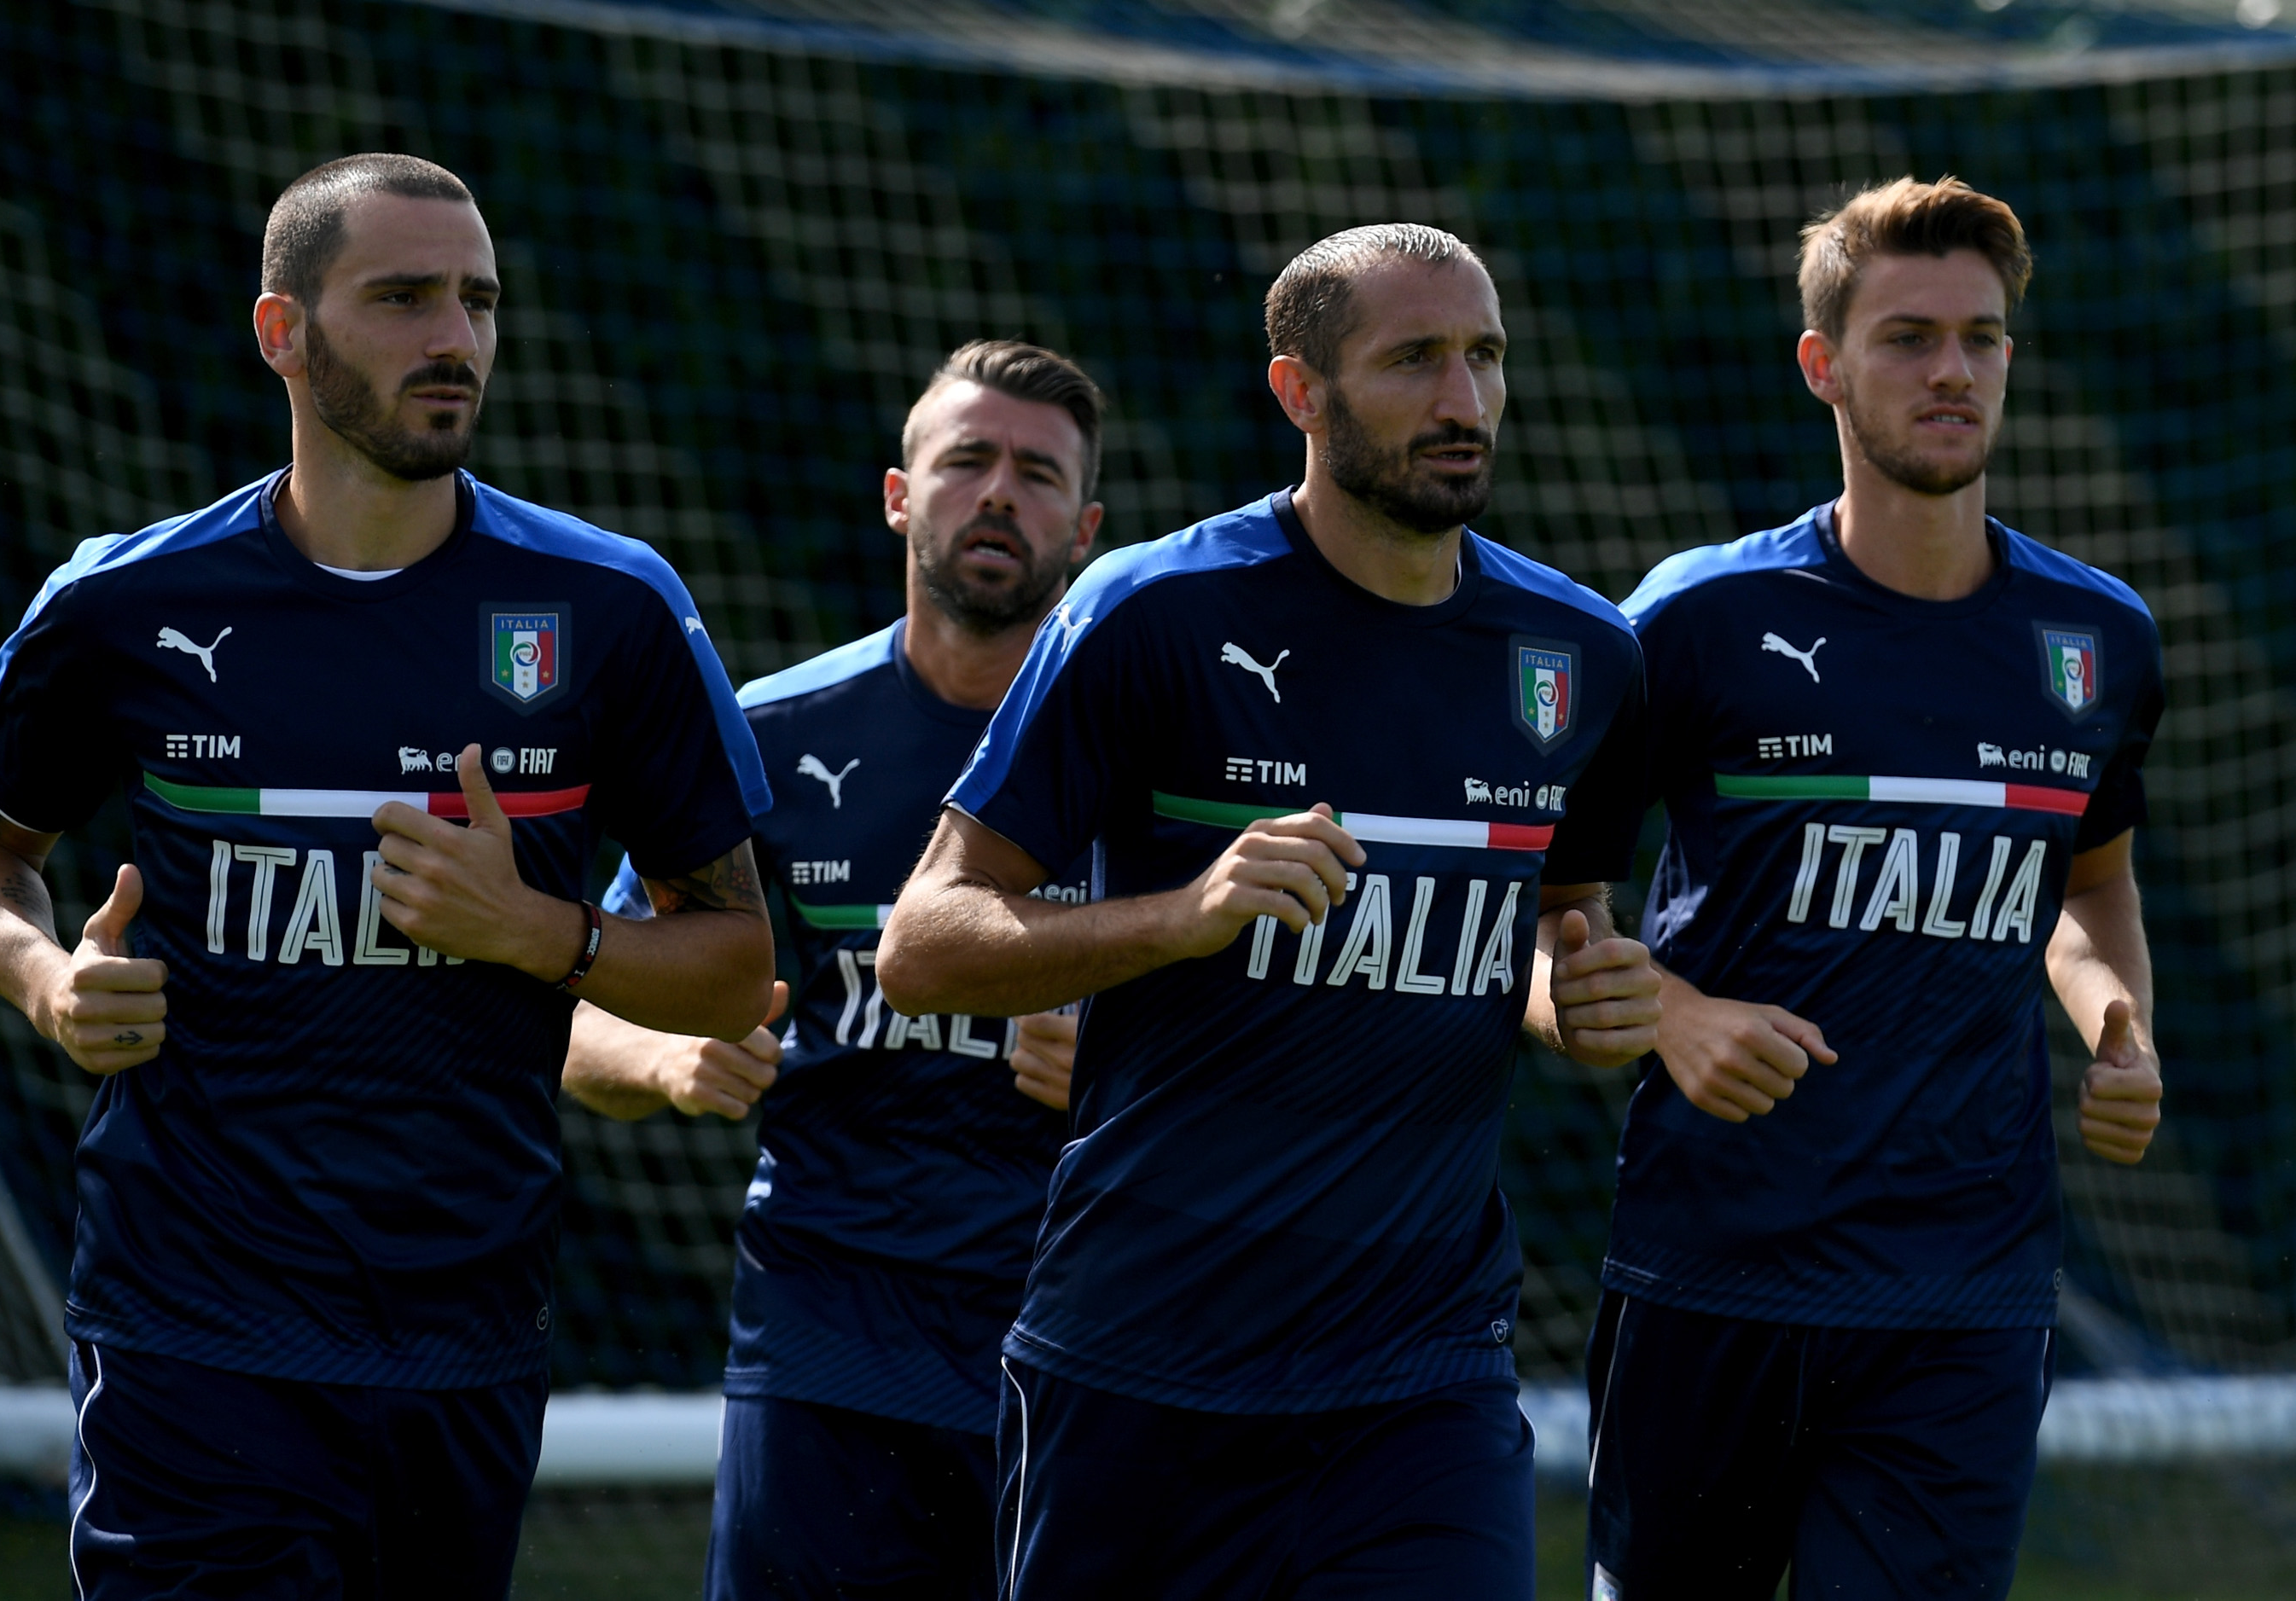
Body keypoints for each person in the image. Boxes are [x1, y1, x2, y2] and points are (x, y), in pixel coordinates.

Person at [0, 154, 777, 1598]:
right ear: (282, 334)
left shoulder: (610, 607)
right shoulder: (130, 603)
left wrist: (540, 932)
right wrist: (50, 978)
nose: (456, 337)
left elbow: (737, 962)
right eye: (403, 298)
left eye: (478, 300)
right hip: (192, 1326)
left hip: (466, 1335)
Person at [874, 224, 1664, 1599]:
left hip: (1423, 1376)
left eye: (1483, 357)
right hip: (1139, 1362)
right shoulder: (1152, 612)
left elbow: (1557, 920)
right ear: (1300, 391)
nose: (1463, 401)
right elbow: (925, 944)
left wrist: (1581, 995)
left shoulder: (1580, 655)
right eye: (1414, 359)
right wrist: (1179, 917)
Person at [1584, 177, 2166, 1601]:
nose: (1953, 369)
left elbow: (2090, 889)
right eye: (1909, 336)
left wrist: (2116, 1020)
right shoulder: (1696, 621)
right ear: (1822, 364)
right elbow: (1548, 925)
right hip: (1707, 1274)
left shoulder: (2096, 638)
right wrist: (1671, 1015)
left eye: (1982, 336)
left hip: (1961, 1290)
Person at [566, 339, 1106, 1599]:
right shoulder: (769, 736)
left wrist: (1132, 1057)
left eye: (1036, 474)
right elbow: (574, 1008)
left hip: (1086, 1342)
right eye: (966, 459)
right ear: (898, 494)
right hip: (826, 1340)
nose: (997, 493)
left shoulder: (1149, 750)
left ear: (1083, 528)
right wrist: (666, 1055)